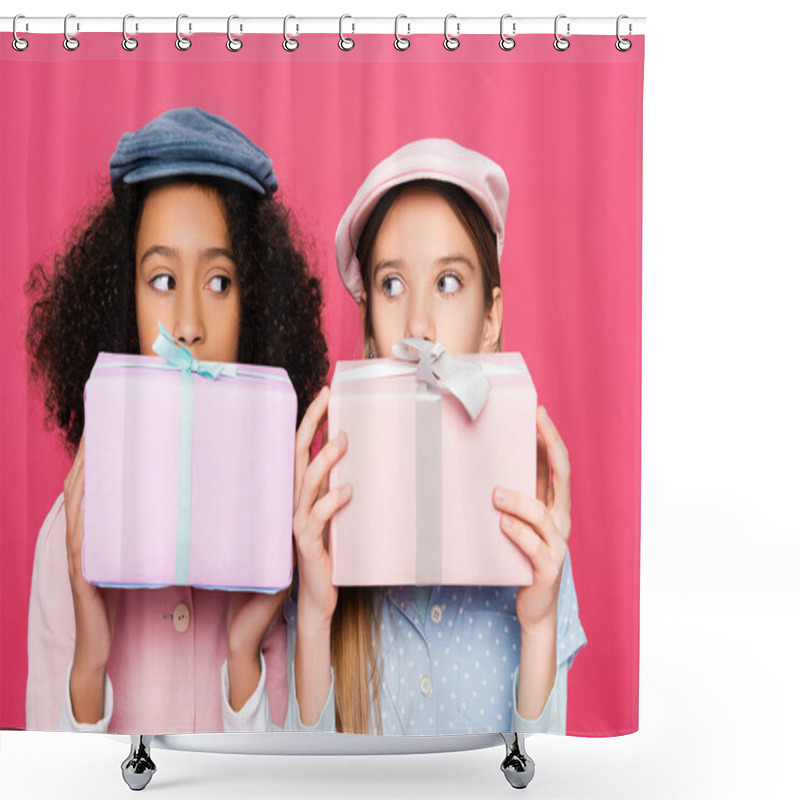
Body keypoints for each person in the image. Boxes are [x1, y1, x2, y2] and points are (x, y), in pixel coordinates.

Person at [25, 107, 329, 734]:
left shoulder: (292, 528)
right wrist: (90, 655)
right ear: (119, 296)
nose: (188, 323)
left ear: (256, 303)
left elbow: (301, 778)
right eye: (162, 278)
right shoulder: (69, 532)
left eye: (219, 281)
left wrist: (246, 651)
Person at [288, 138, 587, 735]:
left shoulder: (535, 533)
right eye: (393, 285)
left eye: (448, 282)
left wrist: (538, 626)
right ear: (369, 320)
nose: (419, 324)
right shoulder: (330, 529)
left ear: (491, 317)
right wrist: (316, 614)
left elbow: (536, 776)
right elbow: (306, 776)